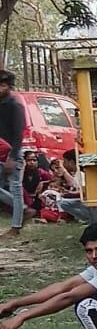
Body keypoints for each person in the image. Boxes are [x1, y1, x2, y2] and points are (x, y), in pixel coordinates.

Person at [0, 70, 27, 237]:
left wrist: (12, 157)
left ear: (9, 87)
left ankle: (16, 226)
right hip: (0, 151)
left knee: (15, 188)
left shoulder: (14, 106)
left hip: (12, 153)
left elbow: (18, 135)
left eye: (3, 85)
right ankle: (24, 209)